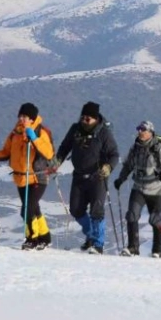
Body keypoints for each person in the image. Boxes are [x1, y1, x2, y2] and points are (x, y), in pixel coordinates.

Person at [55, 101, 119, 255]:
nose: (84, 120)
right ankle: (91, 234)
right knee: (76, 209)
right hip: (78, 176)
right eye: (82, 117)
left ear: (96, 119)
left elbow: (114, 154)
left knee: (97, 210)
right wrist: (56, 162)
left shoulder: (103, 133)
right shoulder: (75, 129)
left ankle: (98, 243)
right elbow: (65, 147)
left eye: (88, 118)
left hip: (98, 177)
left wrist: (108, 167)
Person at [0, 103, 54, 250]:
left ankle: (32, 238)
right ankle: (45, 237)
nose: (21, 119)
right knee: (34, 208)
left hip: (37, 177)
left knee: (27, 209)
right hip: (21, 178)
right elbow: (6, 153)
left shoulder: (40, 132)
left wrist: (35, 139)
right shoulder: (16, 133)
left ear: (32, 119)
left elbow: (49, 153)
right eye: (20, 116)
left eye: (25, 117)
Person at [113, 120, 161, 258]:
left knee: (155, 220)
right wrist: (121, 179)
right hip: (139, 188)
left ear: (150, 132)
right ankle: (132, 247)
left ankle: (157, 250)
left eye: (143, 130)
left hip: (156, 190)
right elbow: (128, 165)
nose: (140, 132)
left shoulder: (160, 149)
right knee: (131, 215)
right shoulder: (134, 149)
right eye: (139, 129)